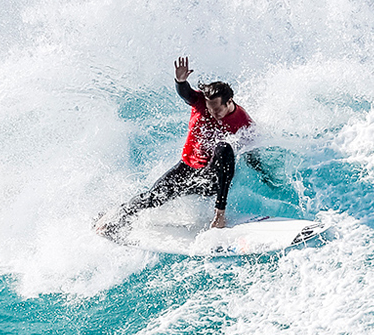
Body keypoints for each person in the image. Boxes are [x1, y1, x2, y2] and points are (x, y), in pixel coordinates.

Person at [97, 56, 267, 237]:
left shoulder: (243, 122)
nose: (213, 114)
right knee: (153, 197)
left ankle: (220, 216)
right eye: (210, 109)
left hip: (210, 179)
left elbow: (251, 153)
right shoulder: (202, 102)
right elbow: (186, 93)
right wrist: (180, 80)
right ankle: (116, 218)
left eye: (217, 110)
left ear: (229, 102)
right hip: (187, 167)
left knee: (224, 148)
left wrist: (265, 175)